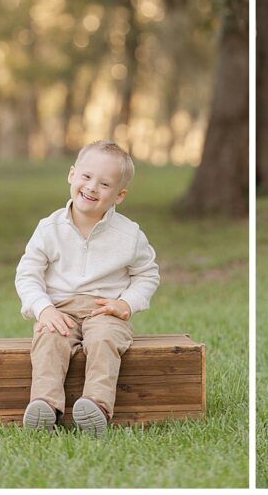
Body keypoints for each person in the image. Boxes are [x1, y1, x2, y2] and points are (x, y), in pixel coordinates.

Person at [15, 140, 160, 436]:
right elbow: (27, 274)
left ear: (119, 195)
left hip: (104, 311)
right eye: (86, 176)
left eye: (105, 184)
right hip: (60, 311)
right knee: (49, 340)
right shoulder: (49, 229)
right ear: (72, 175)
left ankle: (96, 405)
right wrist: (44, 310)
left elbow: (147, 275)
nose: (92, 187)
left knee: (105, 339)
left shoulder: (129, 234)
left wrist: (126, 304)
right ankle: (45, 405)